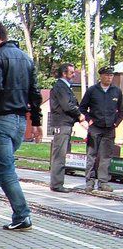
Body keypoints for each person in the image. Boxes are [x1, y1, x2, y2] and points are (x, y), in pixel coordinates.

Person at [0, 21, 42, 231]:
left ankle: (22, 214)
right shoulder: (26, 58)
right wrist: (37, 122)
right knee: (0, 166)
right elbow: (35, 93)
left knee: (6, 169)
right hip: (19, 122)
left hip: (1, 119)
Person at [79, 65, 123, 192]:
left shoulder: (116, 91)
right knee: (91, 155)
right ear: (101, 76)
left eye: (111, 75)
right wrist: (89, 120)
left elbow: (121, 110)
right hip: (95, 129)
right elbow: (82, 108)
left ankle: (103, 182)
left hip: (109, 129)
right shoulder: (92, 90)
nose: (109, 77)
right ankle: (90, 182)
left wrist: (116, 123)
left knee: (106, 156)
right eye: (107, 75)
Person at [49, 63, 88, 193]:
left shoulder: (65, 87)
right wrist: (80, 116)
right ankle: (57, 184)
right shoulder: (60, 87)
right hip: (62, 124)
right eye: (71, 72)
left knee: (61, 153)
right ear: (64, 73)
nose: (74, 74)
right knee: (59, 154)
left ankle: (57, 182)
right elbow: (68, 106)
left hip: (66, 123)